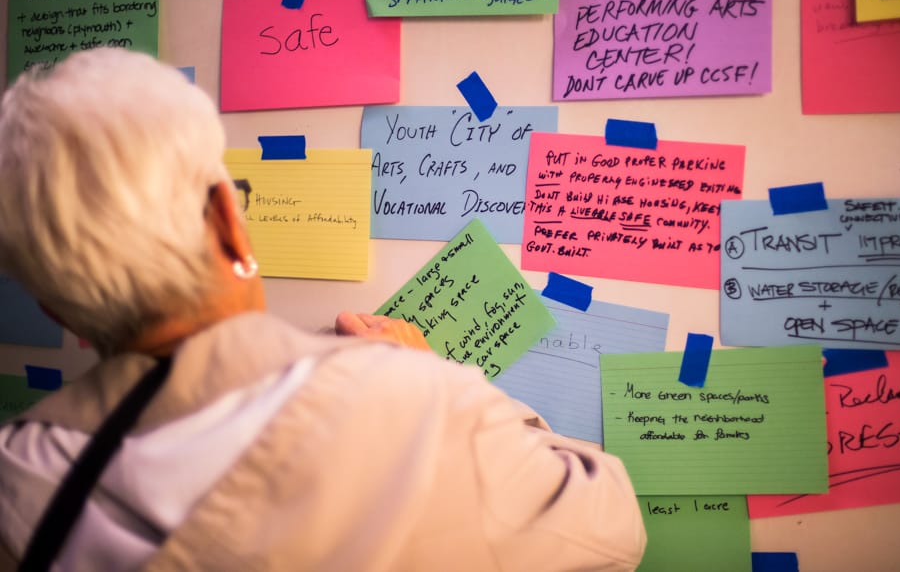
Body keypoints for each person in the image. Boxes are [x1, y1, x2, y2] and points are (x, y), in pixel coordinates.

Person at [0, 48, 646, 571]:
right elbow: (615, 529)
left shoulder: (16, 471)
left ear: (56, 311)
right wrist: (437, 378)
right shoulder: (423, 408)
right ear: (230, 222)